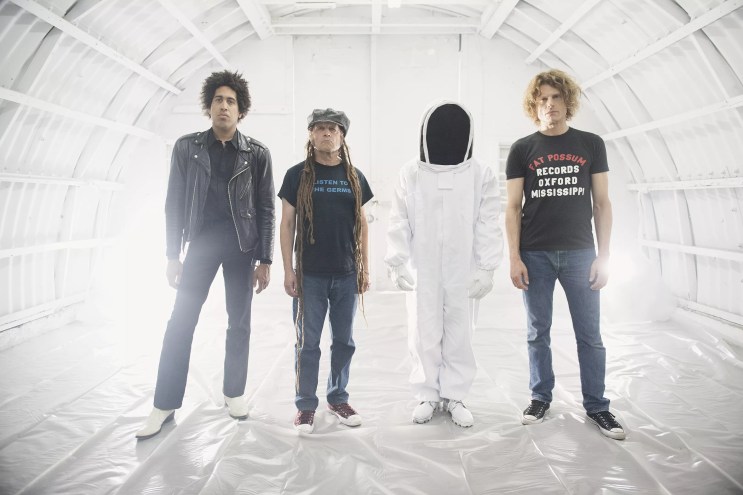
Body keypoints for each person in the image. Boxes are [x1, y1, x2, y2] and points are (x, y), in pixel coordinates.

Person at [135, 70, 275, 440]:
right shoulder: (187, 148)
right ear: (208, 107)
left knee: (239, 322)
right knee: (180, 321)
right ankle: (164, 404)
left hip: (242, 248)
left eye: (231, 101)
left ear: (240, 110)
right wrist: (172, 255)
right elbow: (174, 204)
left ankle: (234, 393)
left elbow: (266, 209)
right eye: (218, 100)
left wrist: (265, 259)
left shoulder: (257, 153)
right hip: (199, 244)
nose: (224, 106)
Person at [505, 69, 625, 440]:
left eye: (556, 97)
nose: (550, 104)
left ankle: (598, 406)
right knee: (537, 332)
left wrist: (604, 256)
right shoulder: (522, 149)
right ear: (534, 105)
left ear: (567, 101)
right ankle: (540, 398)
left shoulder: (591, 144)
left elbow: (602, 203)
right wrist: (514, 257)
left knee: (590, 334)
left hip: (580, 255)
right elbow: (512, 207)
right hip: (535, 254)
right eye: (542, 98)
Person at [385, 101, 503, 428]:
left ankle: (455, 395)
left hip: (463, 265)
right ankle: (427, 394)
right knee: (422, 328)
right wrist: (396, 261)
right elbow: (399, 218)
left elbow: (488, 221)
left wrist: (487, 267)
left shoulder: (480, 174)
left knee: (460, 330)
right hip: (422, 265)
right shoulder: (411, 172)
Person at [278, 108, 373, 434]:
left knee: (344, 341)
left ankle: (337, 398)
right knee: (307, 343)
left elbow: (362, 225)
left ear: (342, 136)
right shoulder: (297, 176)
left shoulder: (354, 177)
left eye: (333, 128)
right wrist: (288, 270)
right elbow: (287, 223)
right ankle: (305, 406)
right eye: (319, 128)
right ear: (311, 134)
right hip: (310, 276)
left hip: (346, 273)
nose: (327, 133)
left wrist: (364, 268)